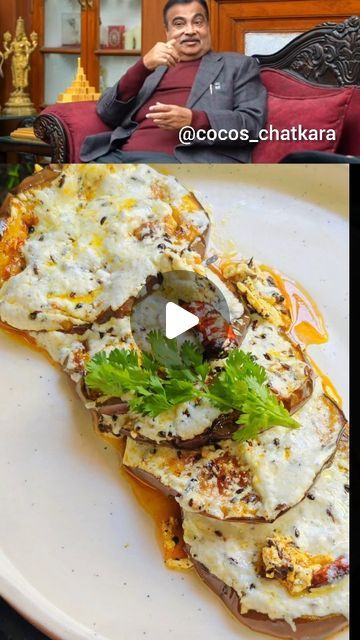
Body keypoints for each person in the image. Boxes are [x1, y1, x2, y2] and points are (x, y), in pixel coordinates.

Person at [80, 0, 267, 164]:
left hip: (181, 161)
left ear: (208, 26)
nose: (190, 30)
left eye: (198, 22)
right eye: (179, 24)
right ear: (167, 32)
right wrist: (142, 66)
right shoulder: (153, 69)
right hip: (120, 156)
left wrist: (194, 120)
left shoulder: (238, 66)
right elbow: (106, 112)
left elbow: (250, 126)